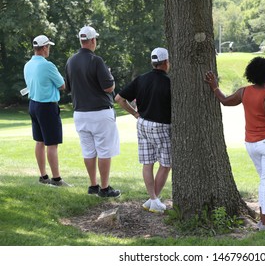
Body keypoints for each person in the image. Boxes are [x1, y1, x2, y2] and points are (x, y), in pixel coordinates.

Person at [205, 56, 265, 233]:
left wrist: (214, 86)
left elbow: (225, 101)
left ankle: (264, 219)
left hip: (251, 144)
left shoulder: (244, 92)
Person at [65, 26, 120, 198]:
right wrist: (110, 77)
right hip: (100, 113)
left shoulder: (70, 61)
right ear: (93, 40)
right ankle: (104, 188)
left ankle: (93, 185)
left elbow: (68, 87)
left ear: (81, 40)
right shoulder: (96, 61)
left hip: (80, 112)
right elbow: (108, 87)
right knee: (104, 151)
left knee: (88, 151)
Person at [115, 47, 171, 214]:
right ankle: (154, 199)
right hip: (161, 126)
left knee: (148, 163)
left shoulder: (141, 79)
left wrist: (135, 114)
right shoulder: (169, 83)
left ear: (153, 63)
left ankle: (152, 199)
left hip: (143, 124)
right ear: (166, 62)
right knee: (166, 164)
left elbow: (119, 99)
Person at [24, 35, 71, 187]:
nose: (48, 49)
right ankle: (56, 179)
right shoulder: (47, 65)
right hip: (47, 106)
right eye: (48, 46)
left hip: (33, 105)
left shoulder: (28, 64)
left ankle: (43, 176)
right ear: (44, 48)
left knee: (40, 141)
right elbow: (62, 85)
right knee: (52, 144)